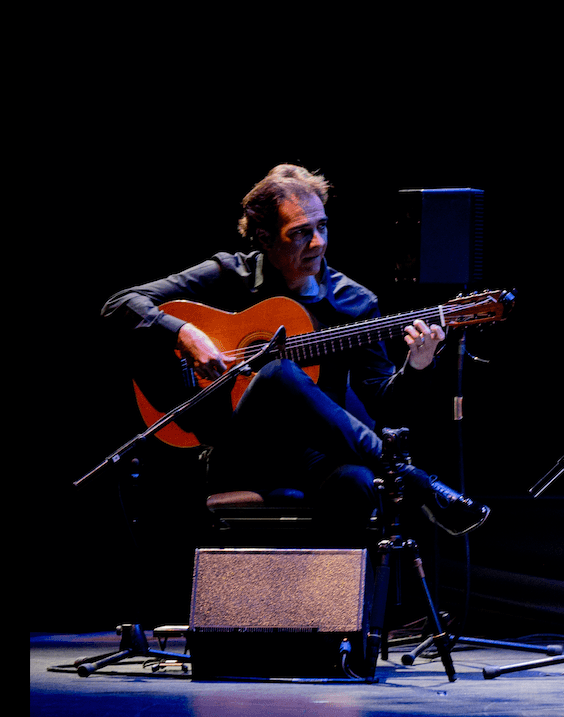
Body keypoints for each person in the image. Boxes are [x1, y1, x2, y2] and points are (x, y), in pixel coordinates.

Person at [102, 163, 489, 545]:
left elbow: (385, 405)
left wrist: (417, 366)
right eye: (301, 233)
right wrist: (186, 333)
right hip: (237, 453)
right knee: (278, 373)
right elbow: (120, 303)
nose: (318, 242)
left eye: (322, 227)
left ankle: (324, 603)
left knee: (357, 481)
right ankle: (418, 480)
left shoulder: (353, 303)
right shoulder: (228, 274)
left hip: (313, 457)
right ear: (265, 238)